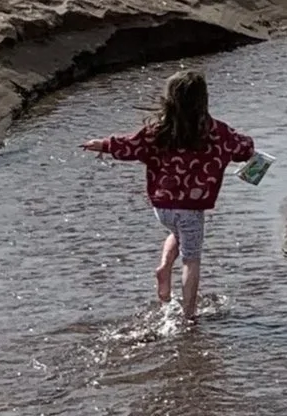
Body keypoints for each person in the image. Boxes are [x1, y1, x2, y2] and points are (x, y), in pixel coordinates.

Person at [83, 69, 254, 326]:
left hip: (162, 207)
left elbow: (130, 144)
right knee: (192, 259)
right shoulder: (216, 131)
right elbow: (244, 148)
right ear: (203, 100)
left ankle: (164, 267)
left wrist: (104, 144)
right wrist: (249, 148)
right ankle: (188, 315)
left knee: (177, 232)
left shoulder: (158, 131)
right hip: (191, 208)